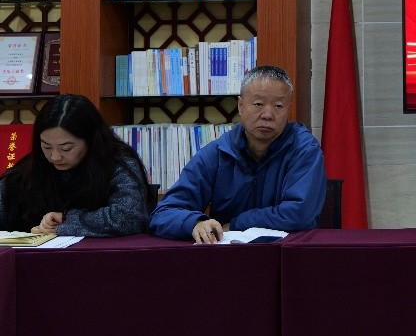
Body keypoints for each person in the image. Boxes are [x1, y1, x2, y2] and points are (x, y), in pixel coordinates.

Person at [149, 65, 326, 242]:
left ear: (288, 109)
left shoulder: (304, 150)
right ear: (240, 106)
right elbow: (163, 213)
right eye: (258, 104)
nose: (268, 114)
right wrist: (195, 223)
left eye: (278, 106)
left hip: (287, 253)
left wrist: (236, 224)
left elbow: (300, 213)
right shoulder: (219, 153)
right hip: (229, 254)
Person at [0, 94, 153, 237]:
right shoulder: (27, 170)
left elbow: (129, 218)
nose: (55, 157)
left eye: (66, 148)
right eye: (46, 146)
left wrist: (66, 220)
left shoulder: (118, 164)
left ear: (91, 141)